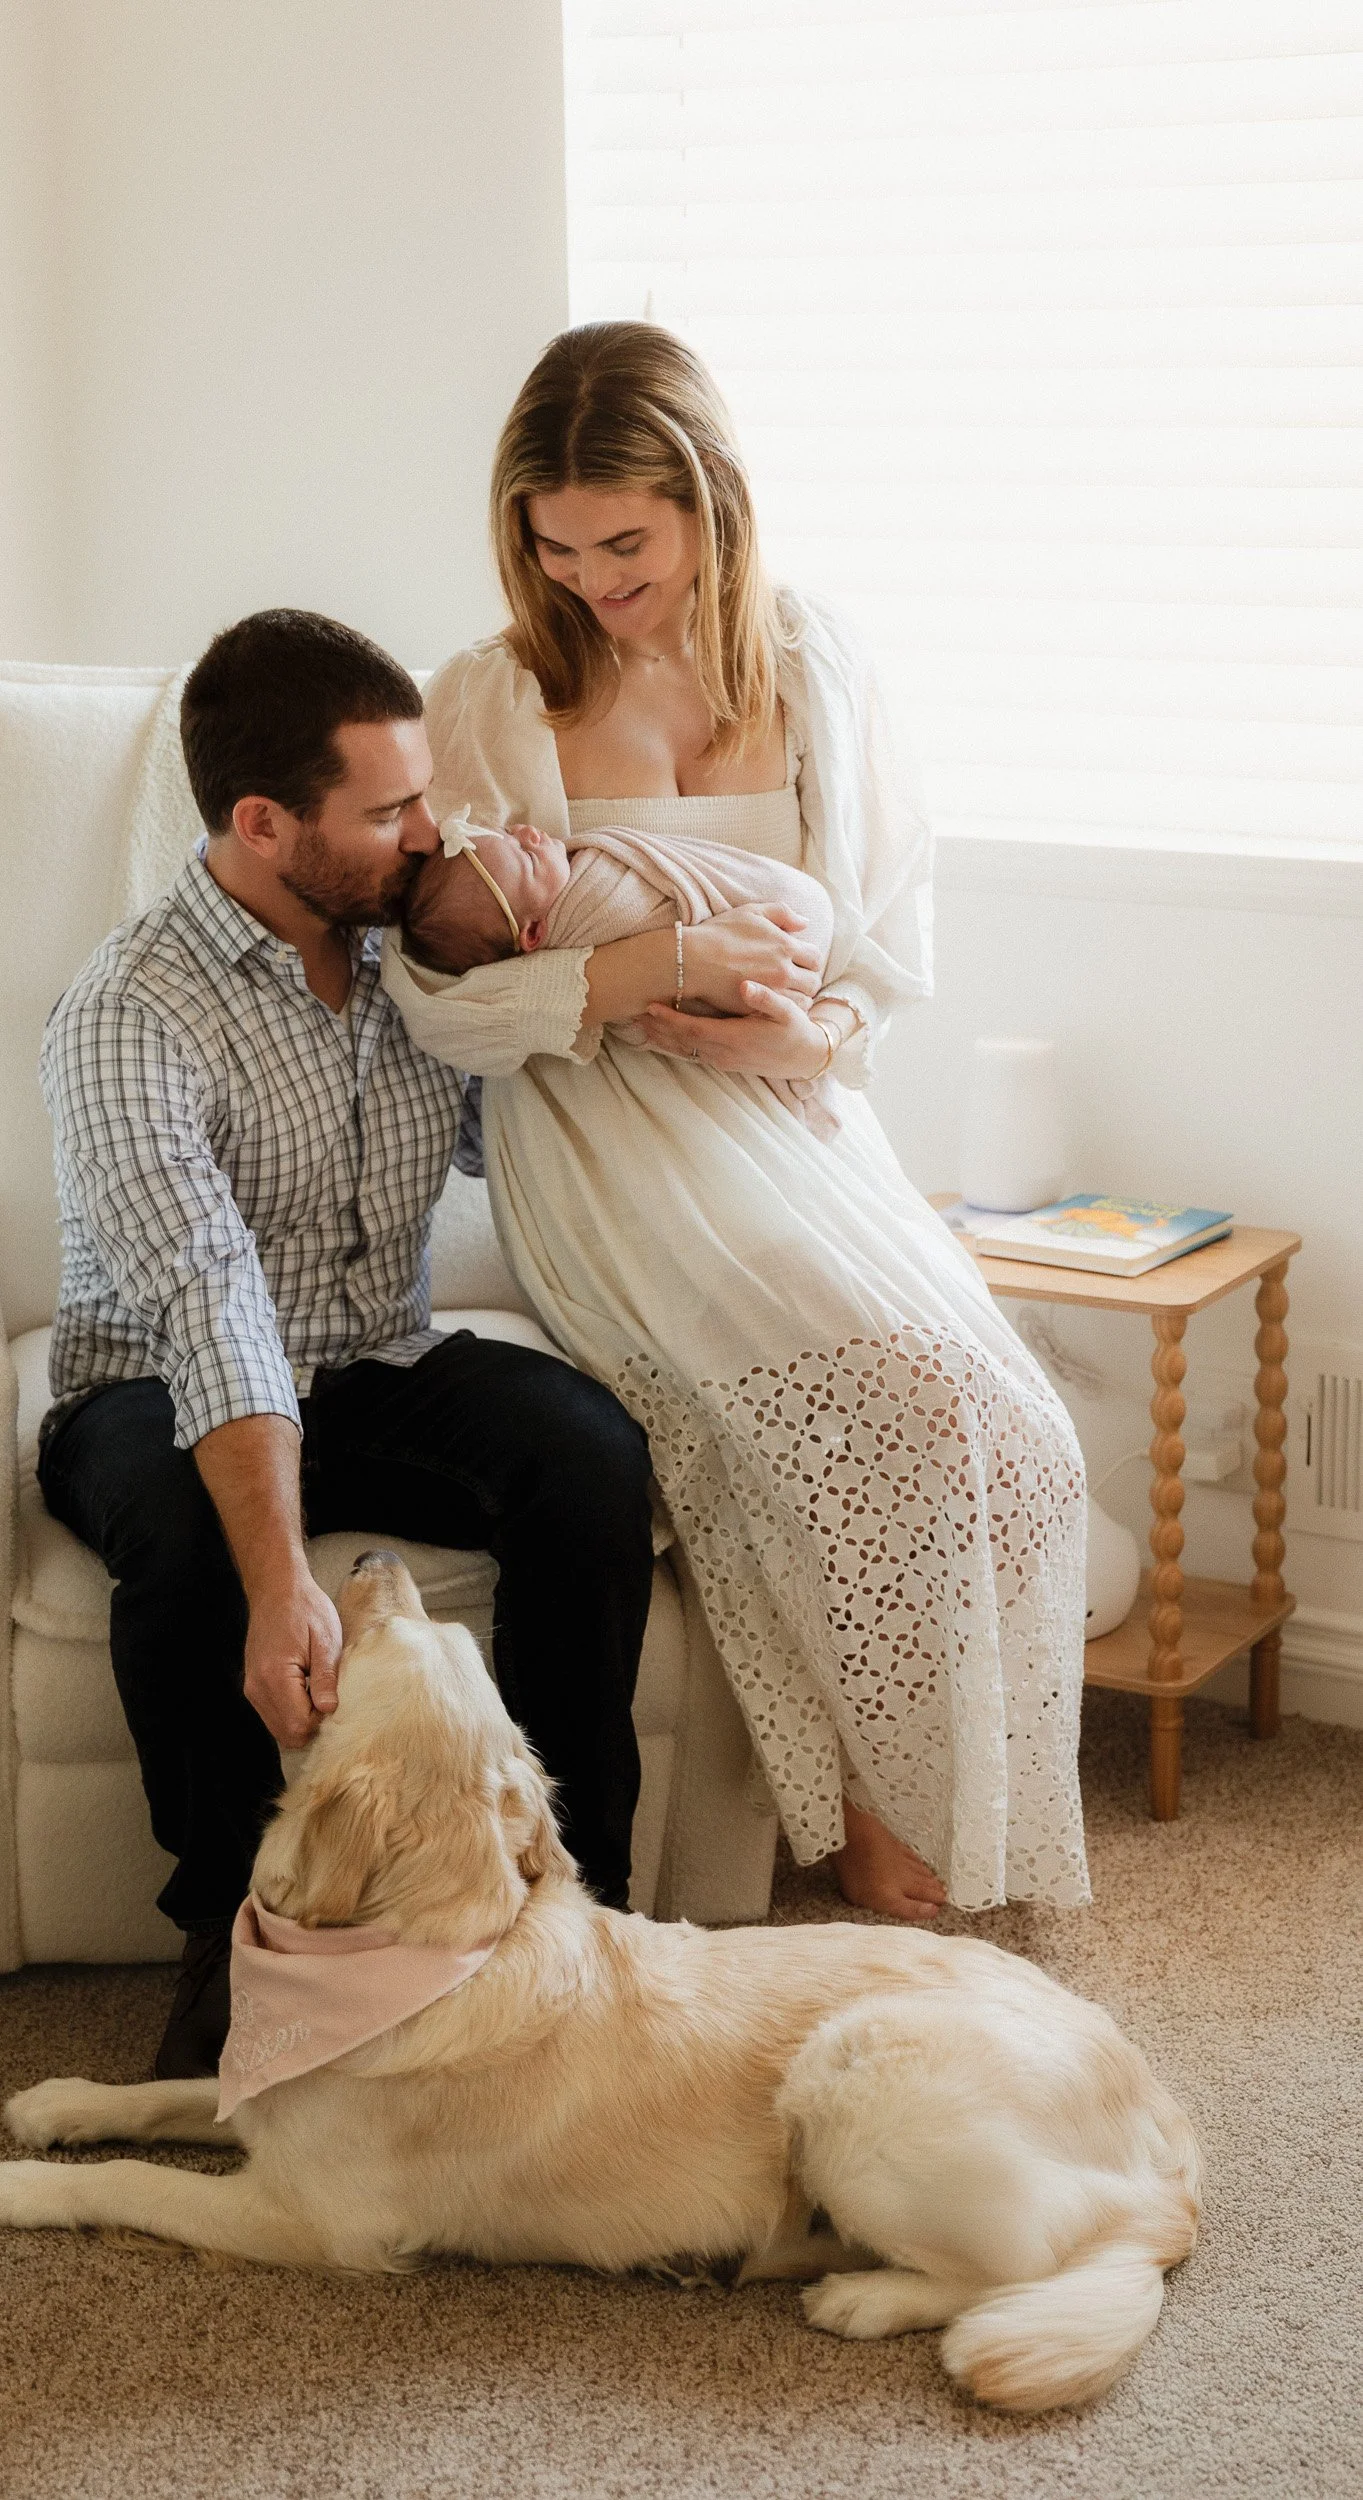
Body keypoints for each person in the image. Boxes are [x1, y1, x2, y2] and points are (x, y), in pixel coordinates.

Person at [381, 323, 1091, 1923]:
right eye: (552, 548)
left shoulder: (815, 668)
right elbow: (430, 997)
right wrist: (639, 970)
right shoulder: (489, 700)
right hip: (603, 1135)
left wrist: (811, 1024)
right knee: (854, 1401)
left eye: (622, 543)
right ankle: (855, 1809)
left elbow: (882, 942)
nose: (587, 581)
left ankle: (947, 1794)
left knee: (1019, 1433)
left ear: (709, 506)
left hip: (789, 1113)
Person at [38, 609, 694, 2079]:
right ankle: (229, 1935)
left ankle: (569, 1905)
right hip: (155, 1384)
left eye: (426, 798)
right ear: (266, 825)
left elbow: (541, 1130)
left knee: (589, 1458)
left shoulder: (412, 963)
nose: (426, 833)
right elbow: (210, 1308)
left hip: (377, 1357)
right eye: (389, 809)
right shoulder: (129, 1013)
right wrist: (283, 1588)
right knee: (193, 1549)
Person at [399, 807, 839, 1133]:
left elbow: (873, 960)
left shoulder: (568, 869)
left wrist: (820, 1044)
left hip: (810, 1007)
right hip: (637, 1109)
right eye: (526, 857)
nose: (530, 832)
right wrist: (683, 958)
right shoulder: (587, 905)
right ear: (534, 935)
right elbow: (443, 1014)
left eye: (512, 833)